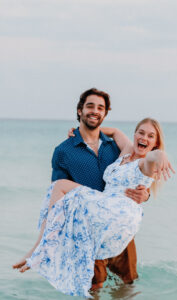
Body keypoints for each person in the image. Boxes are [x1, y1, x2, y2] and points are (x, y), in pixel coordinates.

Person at [13, 117, 174, 297]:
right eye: (141, 133)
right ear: (135, 134)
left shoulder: (146, 162)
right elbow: (113, 132)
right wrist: (80, 133)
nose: (144, 138)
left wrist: (161, 155)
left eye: (151, 136)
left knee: (125, 281)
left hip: (118, 213)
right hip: (102, 208)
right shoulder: (127, 150)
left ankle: (42, 248)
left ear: (156, 143)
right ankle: (42, 246)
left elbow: (154, 158)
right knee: (58, 187)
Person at [28, 88, 151, 290]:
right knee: (94, 289)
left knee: (127, 287)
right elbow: (58, 198)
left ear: (105, 114)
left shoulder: (116, 146)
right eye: (90, 106)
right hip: (88, 234)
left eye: (100, 108)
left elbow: (139, 176)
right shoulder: (63, 151)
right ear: (79, 111)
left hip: (119, 231)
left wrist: (144, 196)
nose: (95, 111)